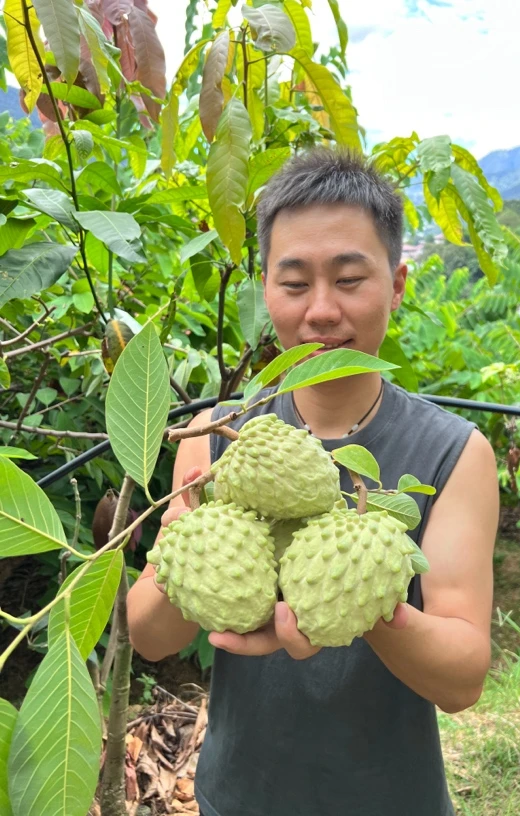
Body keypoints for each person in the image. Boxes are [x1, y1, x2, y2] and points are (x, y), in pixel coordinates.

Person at [126, 149, 499, 816]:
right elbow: (151, 637)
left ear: (399, 282)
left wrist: (363, 600)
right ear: (265, 287)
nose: (321, 311)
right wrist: (193, 539)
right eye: (294, 285)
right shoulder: (219, 433)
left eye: (351, 279)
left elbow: (463, 675)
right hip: (239, 795)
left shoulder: (453, 453)